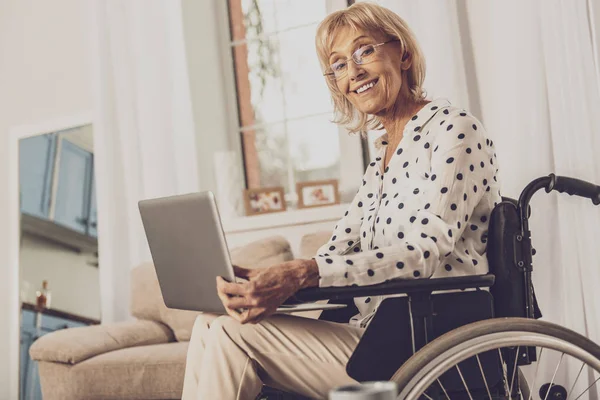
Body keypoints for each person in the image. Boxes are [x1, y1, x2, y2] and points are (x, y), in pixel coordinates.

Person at [181, 2, 502, 399]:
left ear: (402, 53)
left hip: (428, 337)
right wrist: (262, 282)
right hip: (375, 334)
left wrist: (304, 273)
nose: (353, 72)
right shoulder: (382, 159)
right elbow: (333, 254)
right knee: (209, 321)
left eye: (364, 51)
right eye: (338, 64)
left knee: (232, 334)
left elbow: (423, 252)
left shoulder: (454, 130)